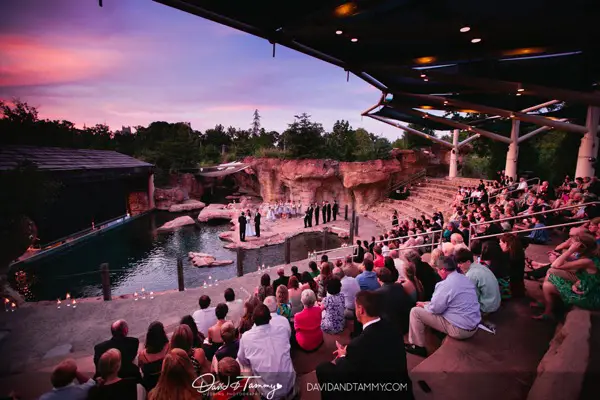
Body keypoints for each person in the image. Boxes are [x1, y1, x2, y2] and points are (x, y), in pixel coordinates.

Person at [315, 291, 414, 400]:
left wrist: (343, 356)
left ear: (361, 310)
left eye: (355, 306)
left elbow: (347, 372)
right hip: (402, 387)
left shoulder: (358, 345)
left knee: (323, 368)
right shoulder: (393, 327)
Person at [405, 257, 481, 358]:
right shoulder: (464, 278)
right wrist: (426, 304)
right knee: (426, 306)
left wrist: (425, 306)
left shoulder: (445, 285)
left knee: (415, 312)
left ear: (443, 270)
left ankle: (418, 347)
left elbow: (435, 309)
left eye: (438, 270)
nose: (438, 272)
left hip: (461, 330)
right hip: (473, 324)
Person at [534, 233, 600, 320]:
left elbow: (555, 265)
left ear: (581, 246)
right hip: (583, 286)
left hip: (588, 296)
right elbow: (574, 261)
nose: (570, 245)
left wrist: (570, 250)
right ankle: (547, 304)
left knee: (548, 284)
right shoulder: (589, 256)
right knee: (550, 275)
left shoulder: (588, 261)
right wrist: (560, 256)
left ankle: (548, 311)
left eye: (573, 244)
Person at [237, 305, 297, 399]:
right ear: (270, 318)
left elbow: (243, 361)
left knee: (245, 368)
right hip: (288, 386)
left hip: (269, 393)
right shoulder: (282, 329)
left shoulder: (246, 337)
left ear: (253, 320)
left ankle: (255, 394)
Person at [455, 248, 501, 314]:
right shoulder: (480, 266)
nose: (458, 265)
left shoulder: (471, 275)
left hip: (487, 308)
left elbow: (472, 298)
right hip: (495, 303)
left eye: (460, 263)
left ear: (468, 262)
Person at [376, 268, 414, 334]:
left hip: (392, 327)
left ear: (378, 279)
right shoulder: (399, 286)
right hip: (405, 323)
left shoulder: (378, 293)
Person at [137, 321, 169, 391]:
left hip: (151, 387)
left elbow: (139, 366)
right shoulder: (169, 347)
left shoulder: (143, 355)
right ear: (162, 334)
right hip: (167, 384)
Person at [499, 233, 526, 298]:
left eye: (500, 242)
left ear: (505, 243)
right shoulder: (519, 253)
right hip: (518, 287)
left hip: (508, 287)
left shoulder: (505, 256)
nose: (499, 244)